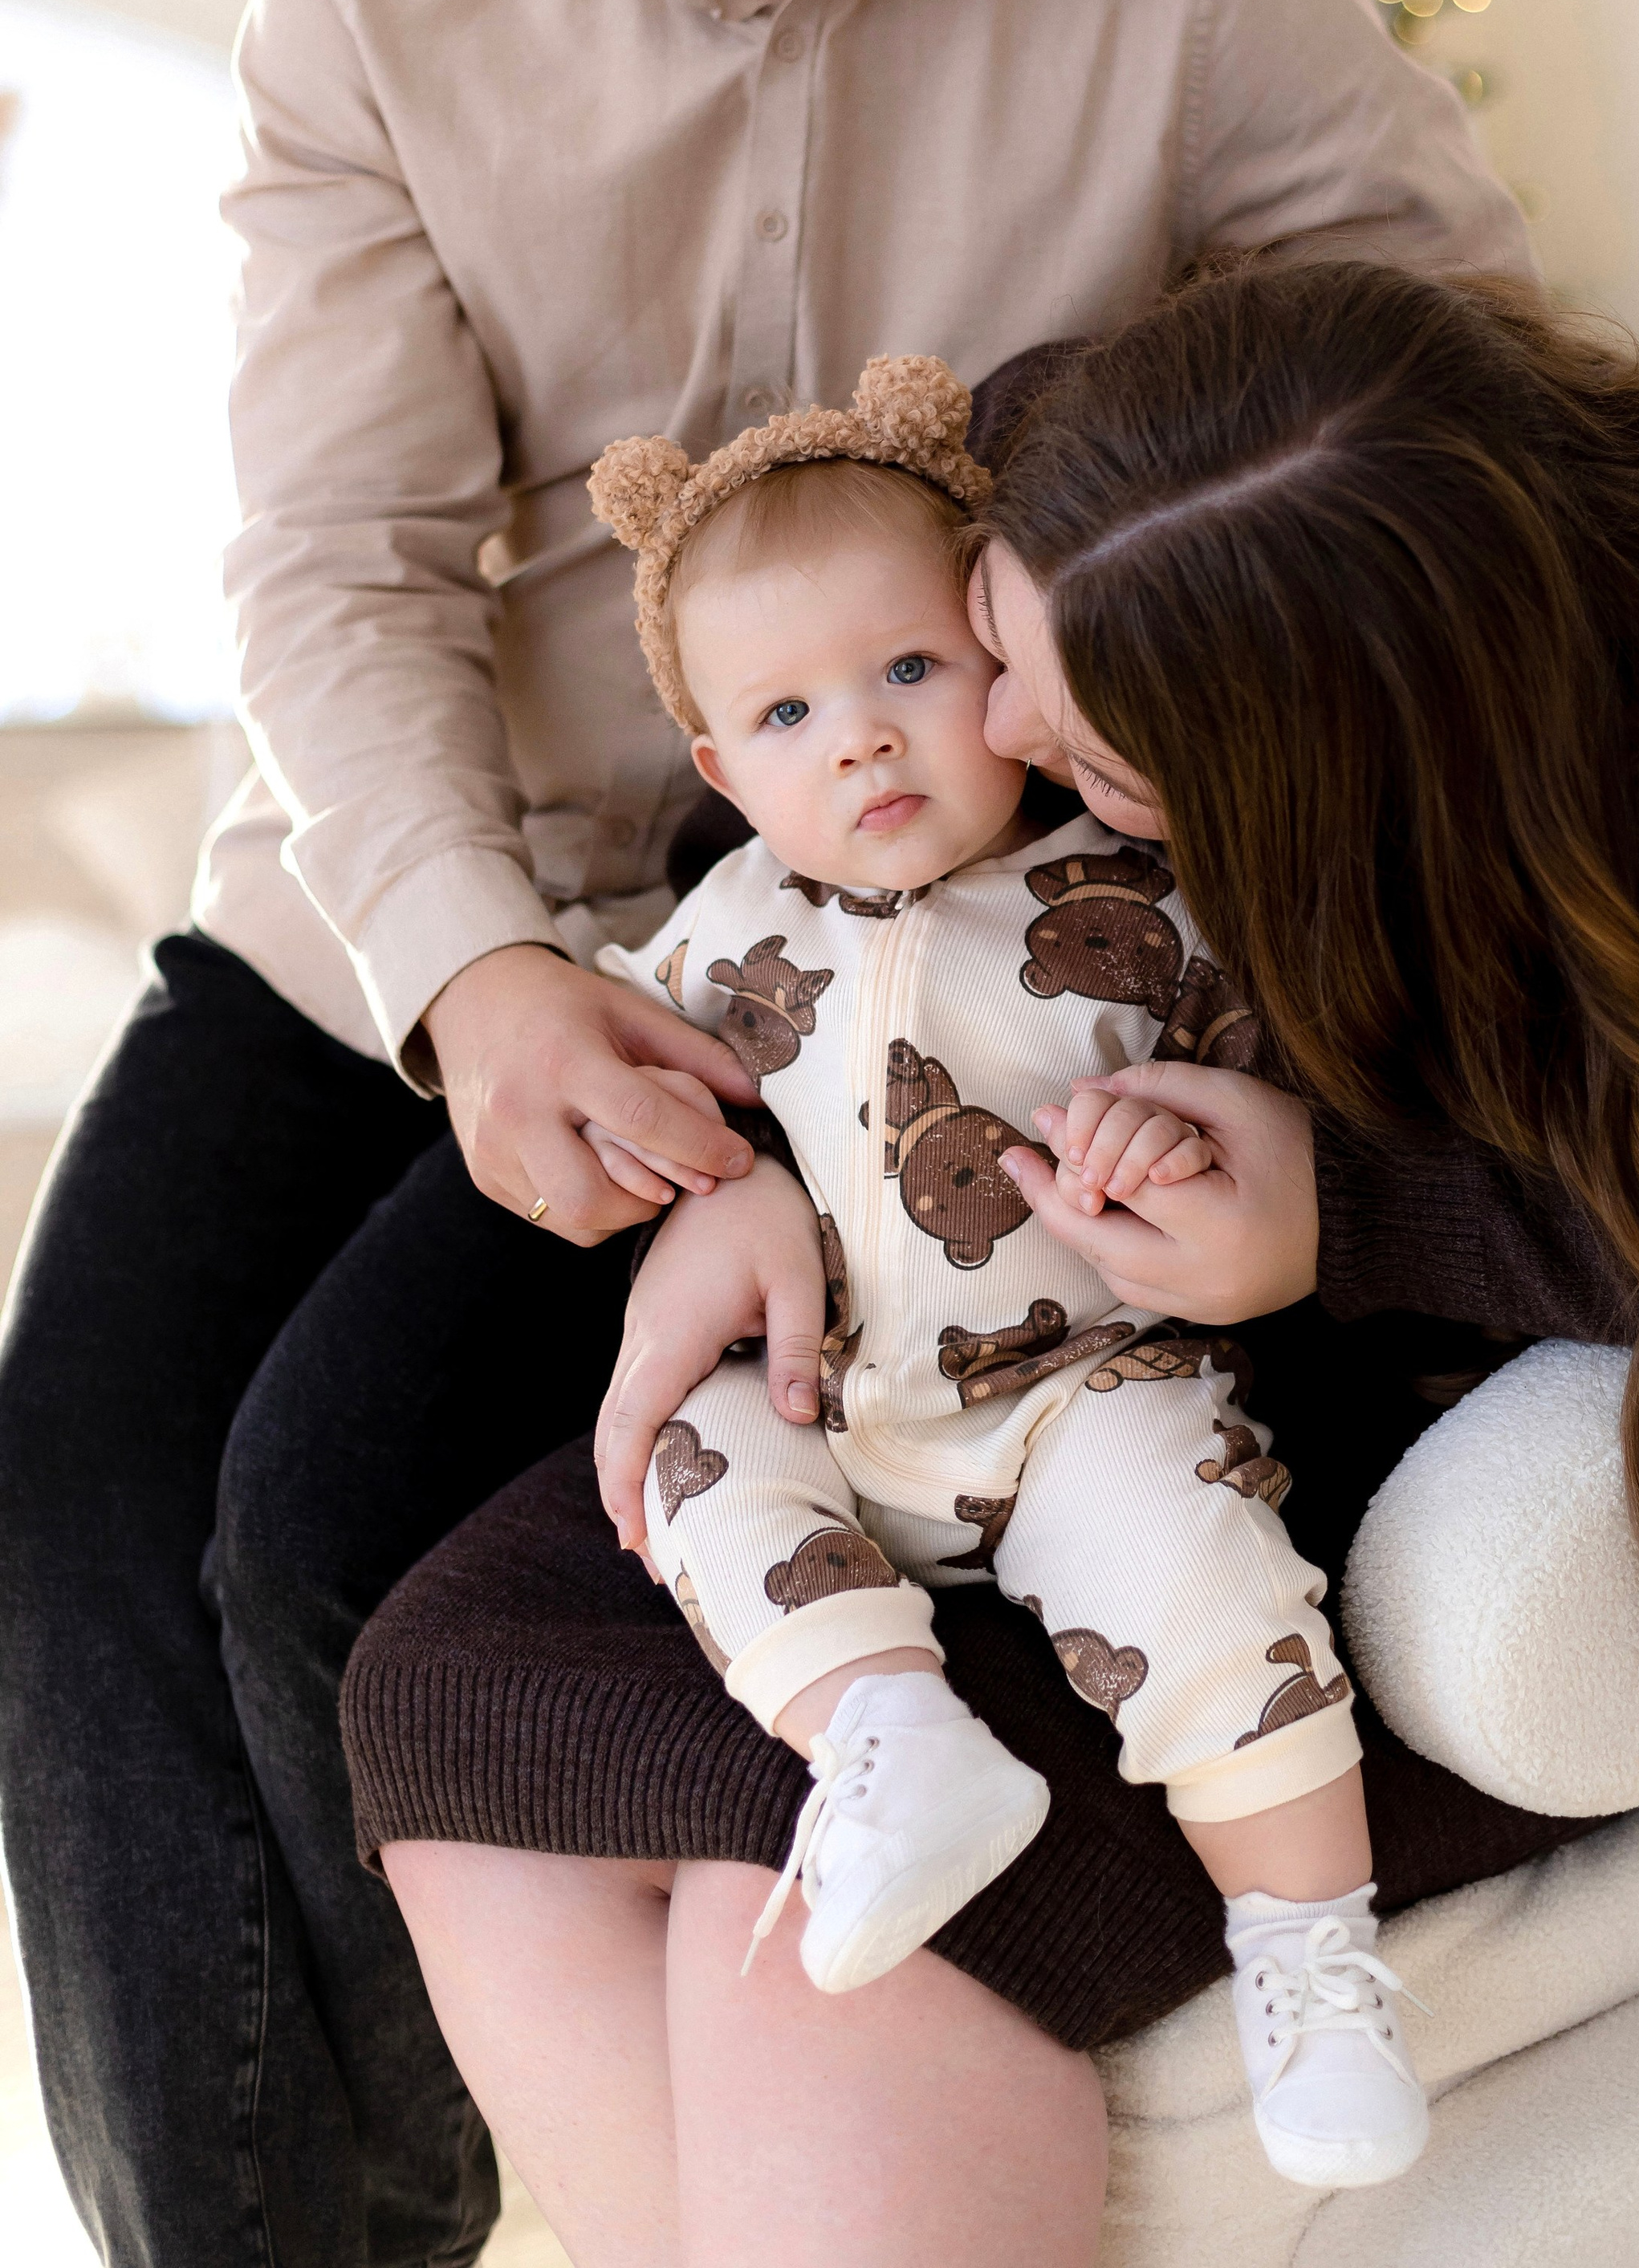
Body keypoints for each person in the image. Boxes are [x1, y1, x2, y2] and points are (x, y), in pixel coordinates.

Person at [0, 0, 1526, 2268]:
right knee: (71, 1509)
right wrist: (480, 982)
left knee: (315, 1526)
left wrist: (1170, 765)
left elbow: (1451, 385)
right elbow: (333, 567)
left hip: (904, 936)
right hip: (428, 877)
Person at [361, 260, 1639, 2268]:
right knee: (449, 1685)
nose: (971, 729)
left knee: (796, 1916)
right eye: (986, 641)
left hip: (1261, 1430)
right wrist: (739, 1173)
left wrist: (1352, 1208)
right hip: (955, 1316)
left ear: (1322, 800)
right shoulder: (1118, 460)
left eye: (1077, 749)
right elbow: (830, 786)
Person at [578, 353, 1425, 2190]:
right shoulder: (725, 934)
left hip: (1081, 1392)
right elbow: (617, 1102)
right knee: (683, 1459)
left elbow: (1308, 1107)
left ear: (1005, 674)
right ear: (721, 771)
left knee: (1204, 1572)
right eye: (789, 714)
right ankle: (884, 1731)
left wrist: (1191, 1134)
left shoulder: (1144, 894)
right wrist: (689, 1198)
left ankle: (1309, 1950)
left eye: (903, 674)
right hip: (833, 1401)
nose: (862, 741)